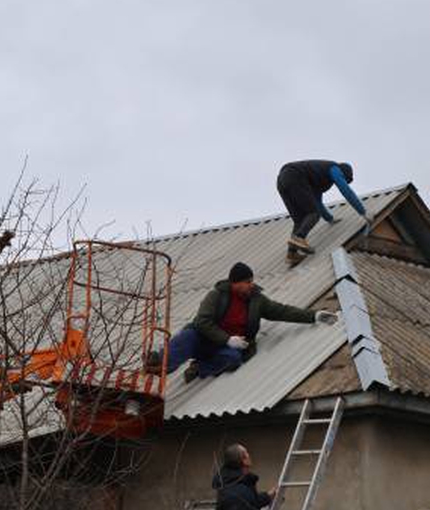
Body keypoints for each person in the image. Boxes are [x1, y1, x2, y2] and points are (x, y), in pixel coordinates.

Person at [145, 262, 338, 382]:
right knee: (185, 337)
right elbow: (202, 322)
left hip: (223, 349)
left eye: (251, 281)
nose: (250, 285)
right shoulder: (216, 296)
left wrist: (313, 316)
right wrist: (227, 339)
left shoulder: (256, 300)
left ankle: (198, 368)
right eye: (246, 282)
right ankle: (158, 364)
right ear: (234, 283)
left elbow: (282, 311)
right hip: (203, 339)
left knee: (233, 359)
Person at [277, 159, 368, 256]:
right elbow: (345, 190)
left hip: (282, 180)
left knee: (300, 220)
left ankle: (292, 253)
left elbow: (318, 203)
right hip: (294, 175)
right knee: (313, 213)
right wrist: (363, 212)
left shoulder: (319, 177)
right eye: (344, 178)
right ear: (343, 172)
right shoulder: (335, 168)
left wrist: (330, 219)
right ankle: (299, 237)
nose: (342, 180)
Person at [209, 443, 276, 510]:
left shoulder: (234, 485)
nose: (250, 455)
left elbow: (250, 502)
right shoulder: (239, 492)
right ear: (244, 461)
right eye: (247, 453)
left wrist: (268, 496)